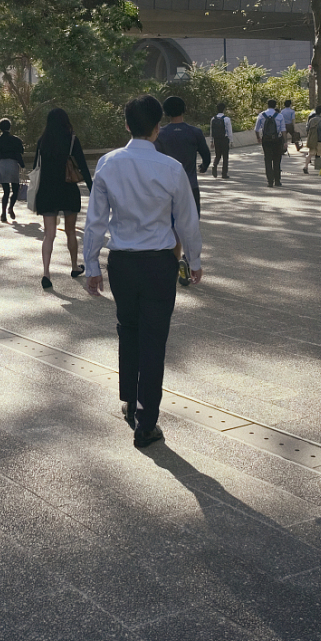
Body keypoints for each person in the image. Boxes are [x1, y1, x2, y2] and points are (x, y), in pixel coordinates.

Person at [83, 95, 202, 449]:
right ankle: (147, 420)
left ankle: (128, 399)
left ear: (126, 125)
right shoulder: (170, 168)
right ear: (157, 126)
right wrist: (194, 260)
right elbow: (187, 220)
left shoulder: (108, 164)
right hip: (159, 264)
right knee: (154, 339)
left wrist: (91, 266)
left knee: (128, 330)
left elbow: (95, 222)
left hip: (122, 262)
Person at [32, 107, 92, 289]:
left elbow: (36, 166)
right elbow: (82, 165)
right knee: (71, 231)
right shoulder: (72, 139)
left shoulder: (42, 141)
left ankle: (46, 273)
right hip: (68, 189)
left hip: (47, 190)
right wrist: (93, 189)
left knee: (49, 234)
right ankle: (74, 266)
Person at [153, 95, 210, 212]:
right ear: (184, 110)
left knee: (169, 224)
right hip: (190, 185)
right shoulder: (195, 132)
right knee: (192, 223)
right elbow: (206, 155)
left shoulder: (160, 134)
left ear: (166, 112)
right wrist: (204, 166)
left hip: (167, 187)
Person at [0, 117, 26, 223]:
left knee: (6, 191)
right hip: (13, 164)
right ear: (10, 127)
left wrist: (1, 158)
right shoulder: (15, 140)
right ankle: (11, 207)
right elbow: (20, 152)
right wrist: (22, 165)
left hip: (3, 165)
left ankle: (3, 214)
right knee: (15, 189)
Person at [253, 98, 285, 187]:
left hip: (266, 140)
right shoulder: (279, 116)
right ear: (275, 106)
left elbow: (256, 129)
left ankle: (270, 181)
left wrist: (258, 137)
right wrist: (285, 141)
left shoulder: (261, 115)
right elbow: (283, 130)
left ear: (267, 105)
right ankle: (277, 181)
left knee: (267, 159)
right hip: (277, 140)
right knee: (277, 160)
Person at [207, 103, 232, 178]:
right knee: (225, 157)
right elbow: (229, 131)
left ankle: (214, 166)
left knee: (218, 155)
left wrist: (211, 141)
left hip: (216, 139)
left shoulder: (213, 119)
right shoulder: (226, 119)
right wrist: (231, 141)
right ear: (224, 109)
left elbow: (211, 131)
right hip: (224, 139)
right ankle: (224, 174)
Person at [302, 104, 321, 174]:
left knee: (310, 154)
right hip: (320, 139)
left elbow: (307, 129)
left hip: (312, 139)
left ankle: (305, 166)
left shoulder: (311, 120)